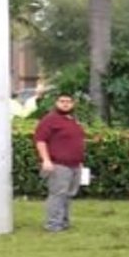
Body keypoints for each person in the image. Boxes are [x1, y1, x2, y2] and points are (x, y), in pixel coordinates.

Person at [33, 93, 86, 232]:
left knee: (69, 195)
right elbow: (40, 141)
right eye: (62, 101)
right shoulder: (49, 120)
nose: (65, 104)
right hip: (58, 164)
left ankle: (64, 222)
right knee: (58, 194)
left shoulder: (73, 120)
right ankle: (53, 224)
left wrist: (80, 162)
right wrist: (46, 160)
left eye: (68, 101)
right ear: (56, 103)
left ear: (73, 104)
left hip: (75, 165)